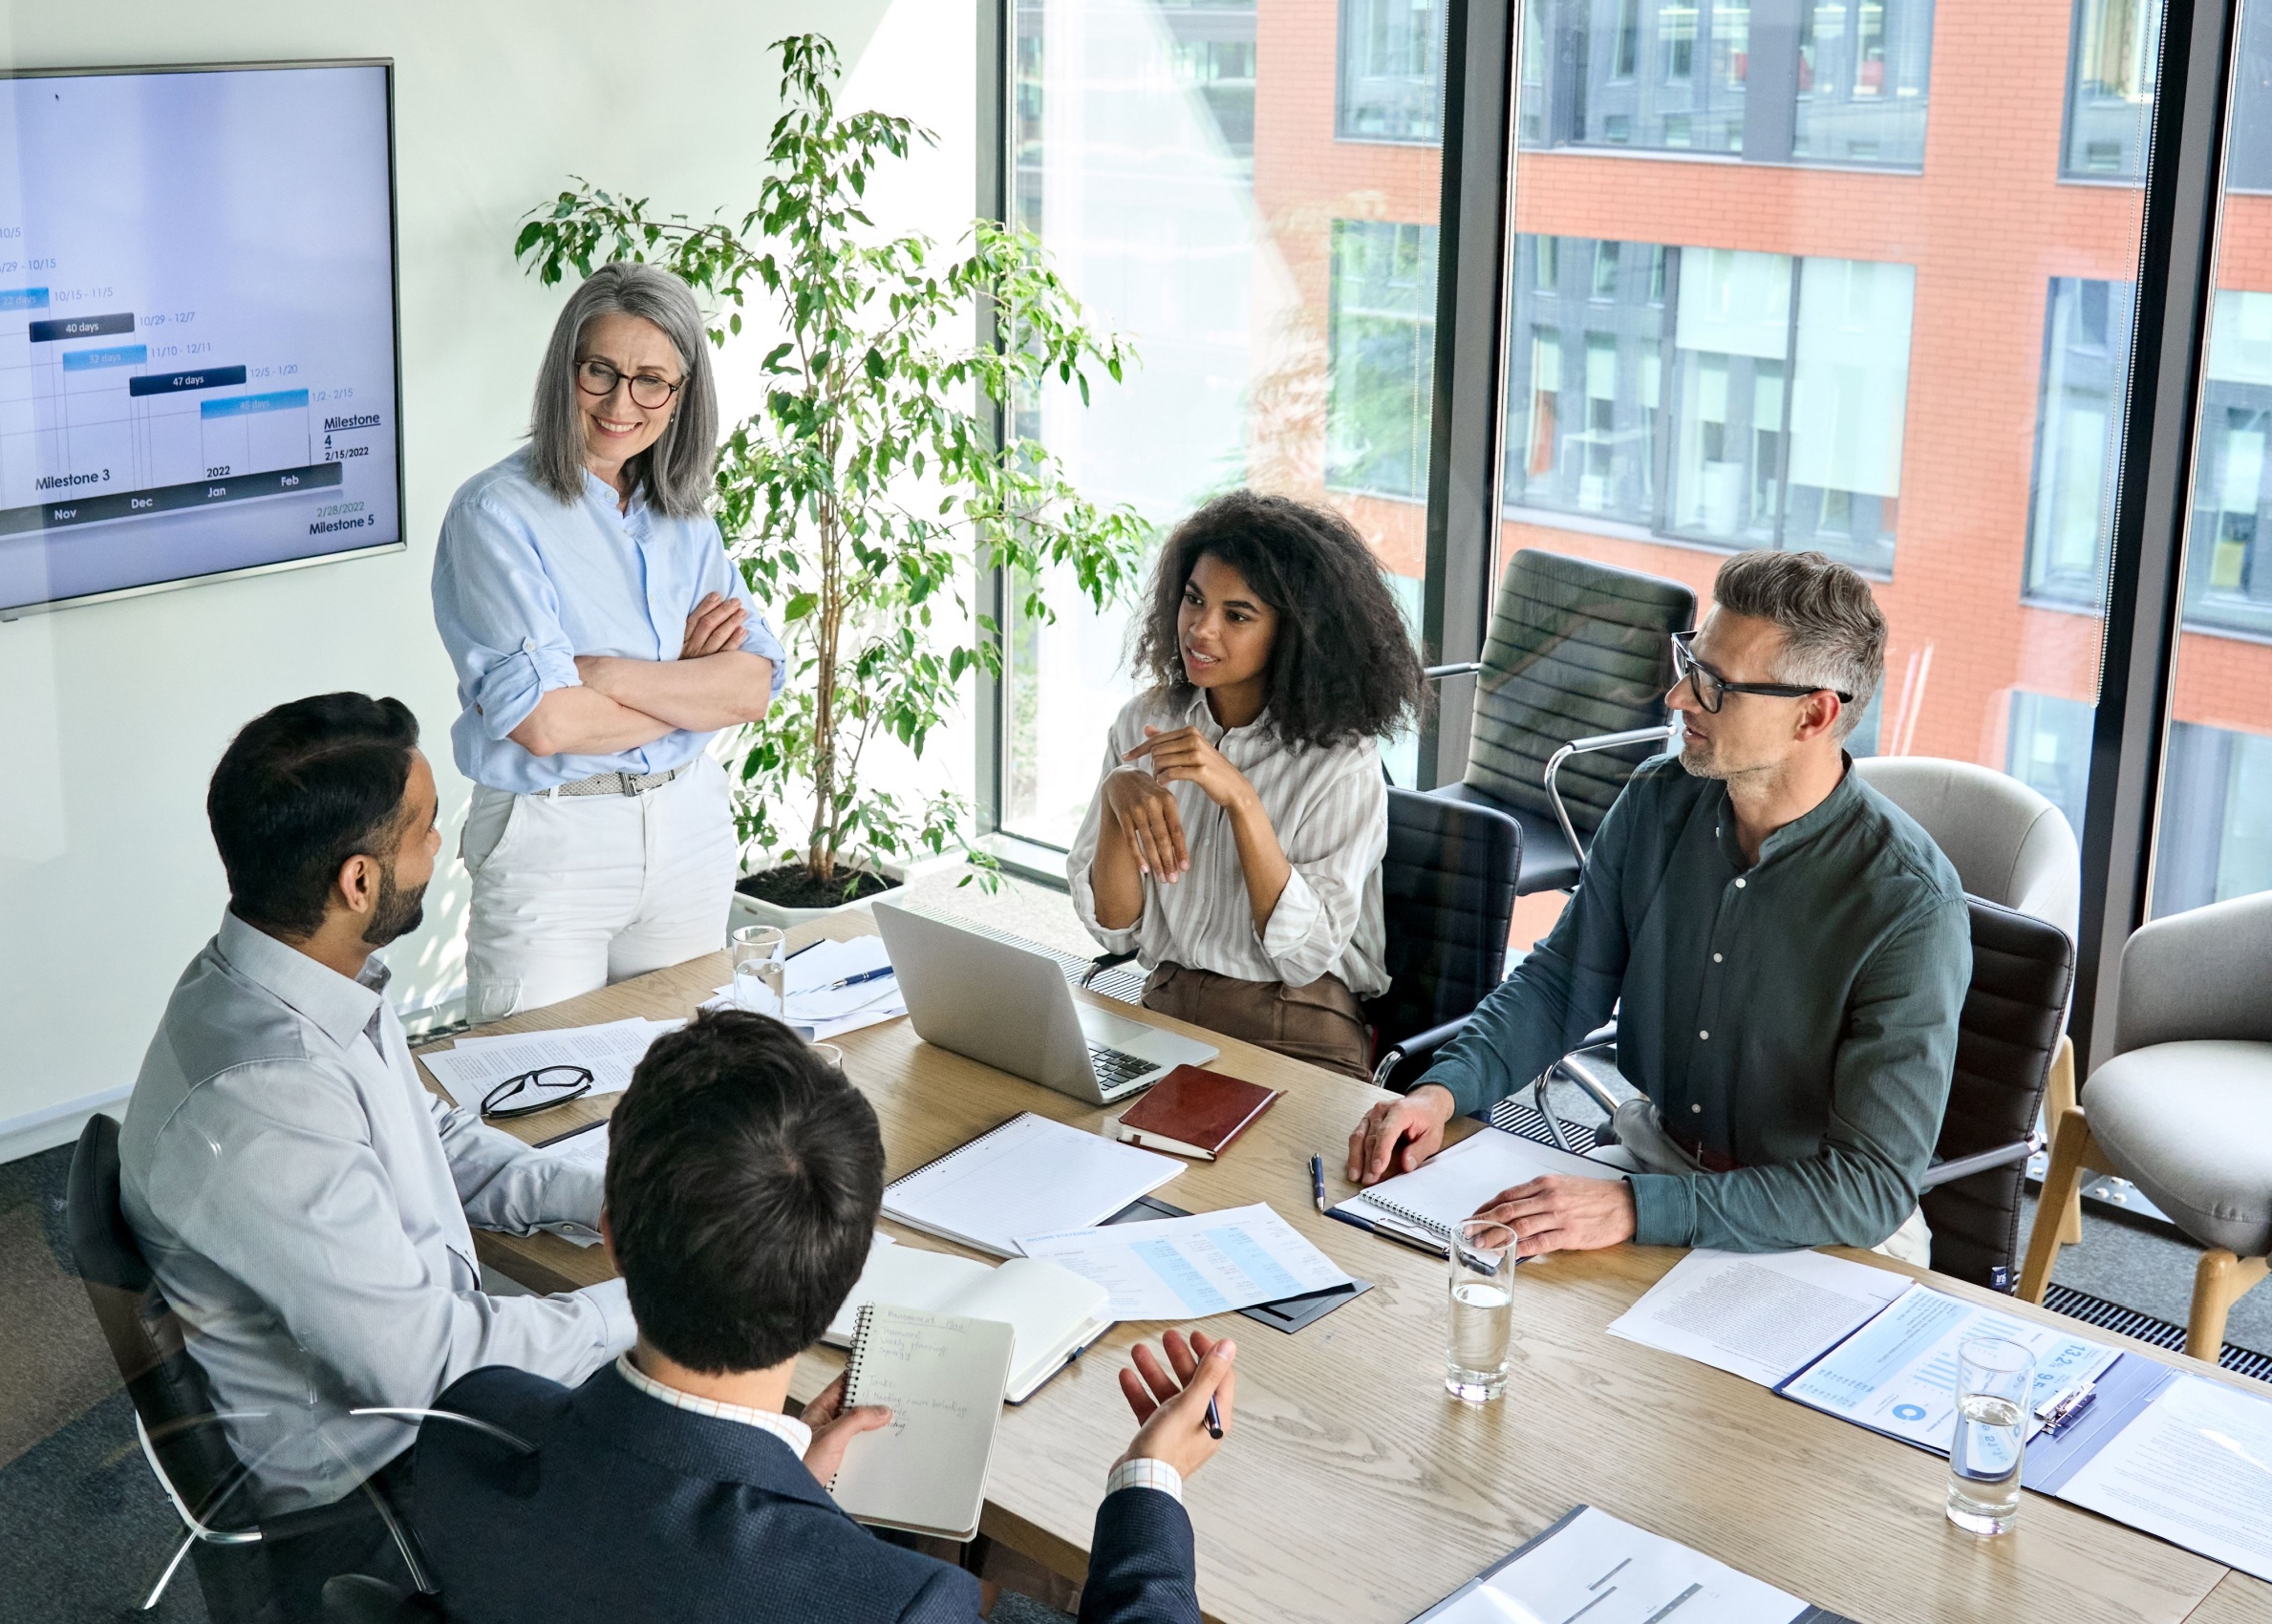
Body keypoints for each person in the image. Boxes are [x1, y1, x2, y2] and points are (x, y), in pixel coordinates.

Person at [413, 1009, 1228, 1624]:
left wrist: (790, 1484)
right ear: (842, 1284)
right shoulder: (894, 1603)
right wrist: (1150, 1482)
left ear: (612, 1240)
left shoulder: (468, 1429)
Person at [118, 694, 636, 1613]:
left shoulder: (303, 978)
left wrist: (623, 1198)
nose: (443, 849)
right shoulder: (261, 1099)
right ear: (359, 882)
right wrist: (655, 1299)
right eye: (426, 830)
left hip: (410, 1403)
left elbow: (432, 1140)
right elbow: (429, 1369)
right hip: (376, 1496)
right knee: (710, 1484)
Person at [1346, 550, 1972, 1265]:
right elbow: (1559, 986)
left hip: (1821, 1230)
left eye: (1715, 686)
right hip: (1654, 1162)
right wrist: (1440, 1095)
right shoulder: (1656, 799)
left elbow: (1866, 1188)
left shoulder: (1910, 905)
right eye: (1689, 663)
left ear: (1814, 715)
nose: (1678, 699)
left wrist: (1634, 1208)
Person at [432, 262, 785, 1017]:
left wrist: (601, 673)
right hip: (554, 836)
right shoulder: (495, 514)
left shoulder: (687, 515)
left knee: (689, 1099)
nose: (623, 402)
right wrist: (689, 686)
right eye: (601, 372)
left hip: (688, 829)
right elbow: (546, 721)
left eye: (652, 380)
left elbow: (751, 687)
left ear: (681, 395)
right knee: (540, 1101)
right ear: (566, 371)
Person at [1066, 492, 1425, 1081]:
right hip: (1168, 1007)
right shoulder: (1143, 722)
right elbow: (1115, 927)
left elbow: (1306, 958)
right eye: (1193, 599)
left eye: (1237, 615)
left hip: (1297, 1027)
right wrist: (1116, 799)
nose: (1201, 630)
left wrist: (1242, 799)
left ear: (1295, 633)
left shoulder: (1341, 760)